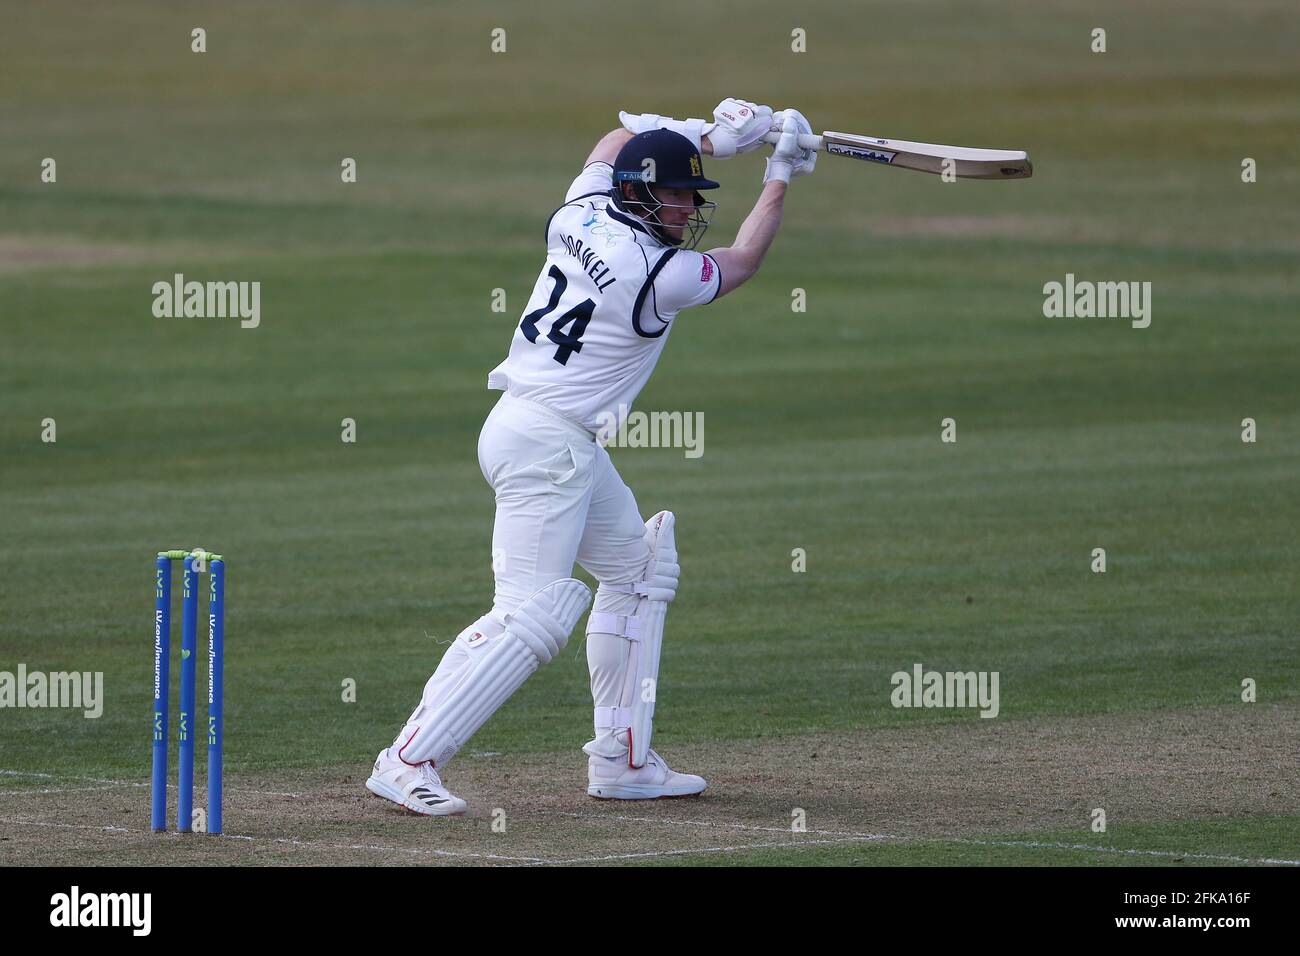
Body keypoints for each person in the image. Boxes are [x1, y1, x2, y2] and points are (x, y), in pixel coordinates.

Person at [366, 98, 817, 814]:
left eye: (690, 196)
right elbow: (743, 261)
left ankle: (624, 762)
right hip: (548, 444)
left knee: (639, 570)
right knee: (532, 611)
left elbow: (613, 141)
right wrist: (780, 173)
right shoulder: (657, 273)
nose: (685, 209)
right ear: (639, 194)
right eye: (676, 195)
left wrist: (710, 135)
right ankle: (408, 757)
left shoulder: (579, 210)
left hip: (538, 430)